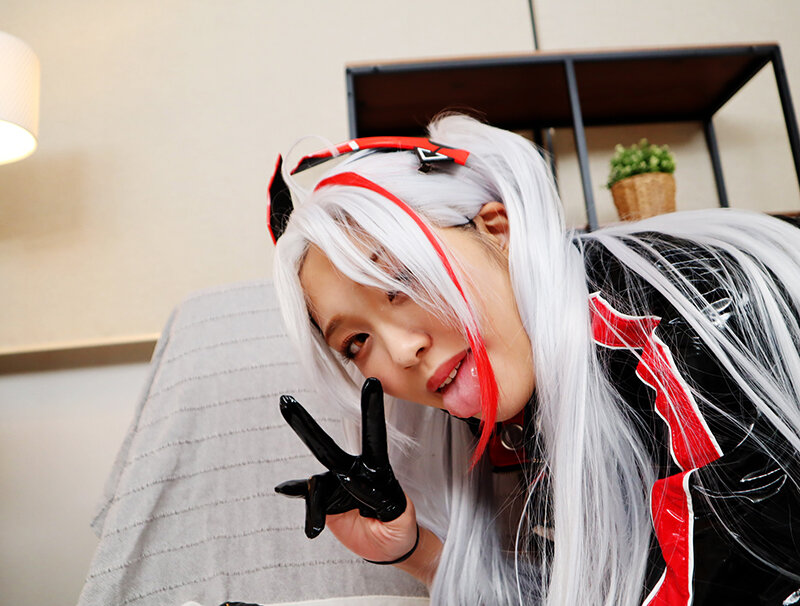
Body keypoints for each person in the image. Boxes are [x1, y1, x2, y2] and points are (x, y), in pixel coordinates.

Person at [268, 114, 800, 606]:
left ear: (497, 230)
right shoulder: (527, 404)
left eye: (401, 281)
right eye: (356, 343)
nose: (403, 352)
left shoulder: (671, 323)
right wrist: (414, 552)